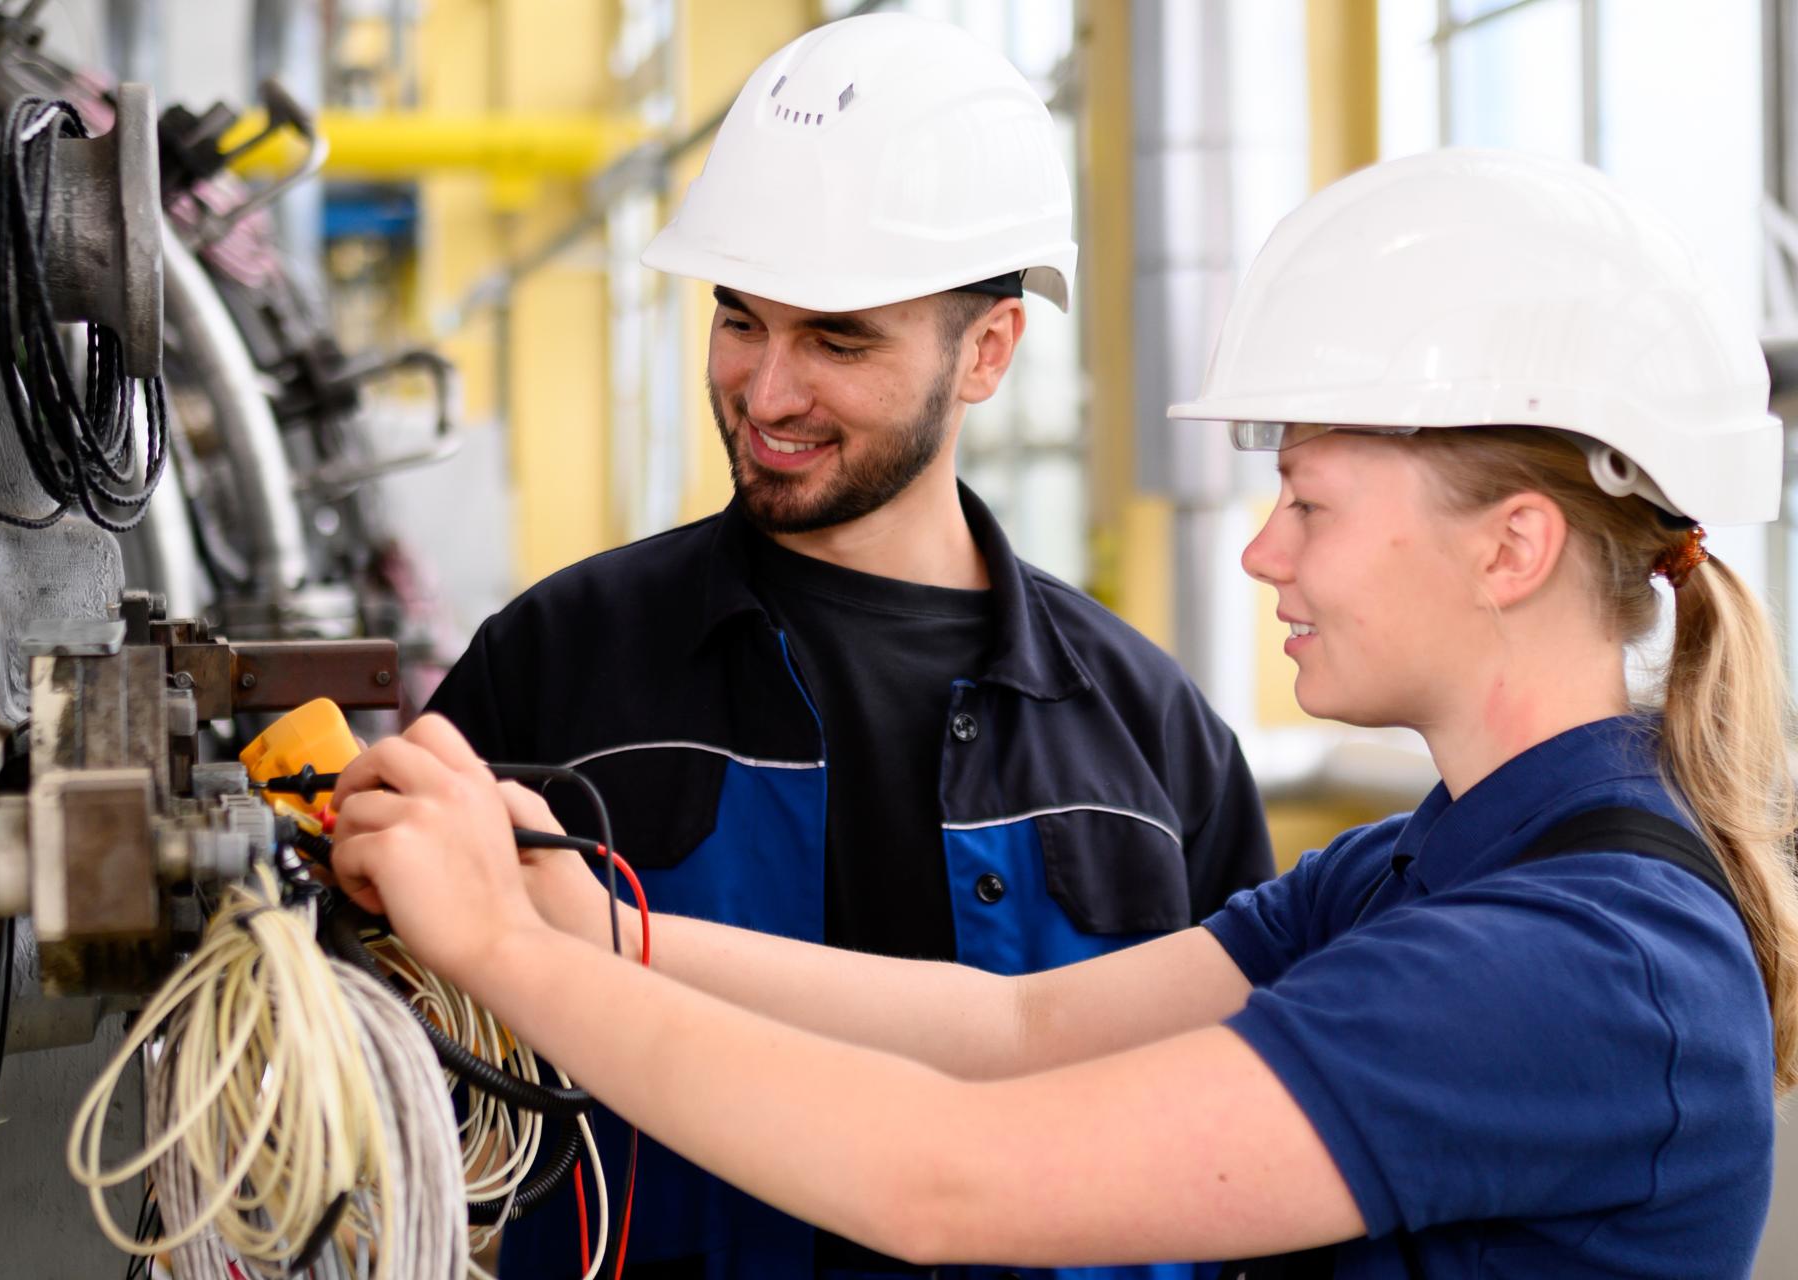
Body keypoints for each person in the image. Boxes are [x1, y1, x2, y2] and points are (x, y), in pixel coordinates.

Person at [335, 147, 1795, 1279]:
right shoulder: (1432, 865)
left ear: (1513, 548)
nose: (1261, 550)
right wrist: (589, 927)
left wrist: (492, 951)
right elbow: (1022, 1027)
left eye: (1310, 503)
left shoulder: (1573, 969)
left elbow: (943, 1175)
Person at [425, 15, 1274, 1275]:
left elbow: (1239, 1147)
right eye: (739, 321)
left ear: (985, 350)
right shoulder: (557, 663)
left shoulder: (1148, 733)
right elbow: (413, 1074)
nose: (766, 393)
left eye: (836, 339)